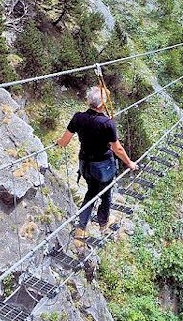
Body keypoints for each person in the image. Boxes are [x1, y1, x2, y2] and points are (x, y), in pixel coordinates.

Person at [57, 86, 137, 247]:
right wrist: (129, 163)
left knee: (91, 192)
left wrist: (57, 143)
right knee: (106, 195)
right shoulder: (107, 123)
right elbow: (117, 149)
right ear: (103, 104)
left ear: (89, 101)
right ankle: (103, 224)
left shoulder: (78, 117)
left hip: (85, 164)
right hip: (103, 167)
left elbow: (64, 142)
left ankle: (81, 228)